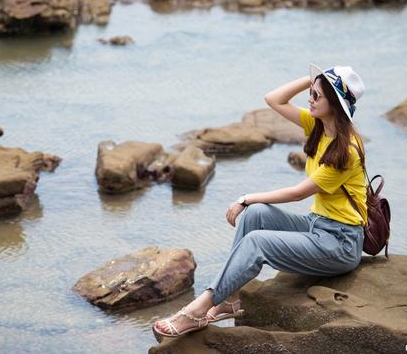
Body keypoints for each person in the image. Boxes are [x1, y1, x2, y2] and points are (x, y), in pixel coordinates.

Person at [153, 64, 368, 339]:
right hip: (318, 225)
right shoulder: (318, 126)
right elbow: (273, 99)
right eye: (311, 93)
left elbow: (298, 193)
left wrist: (245, 197)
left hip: (340, 243)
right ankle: (229, 298)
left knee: (257, 240)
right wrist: (312, 79)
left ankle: (198, 310)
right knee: (256, 215)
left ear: (335, 105)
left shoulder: (346, 149)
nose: (310, 99)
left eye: (317, 96)